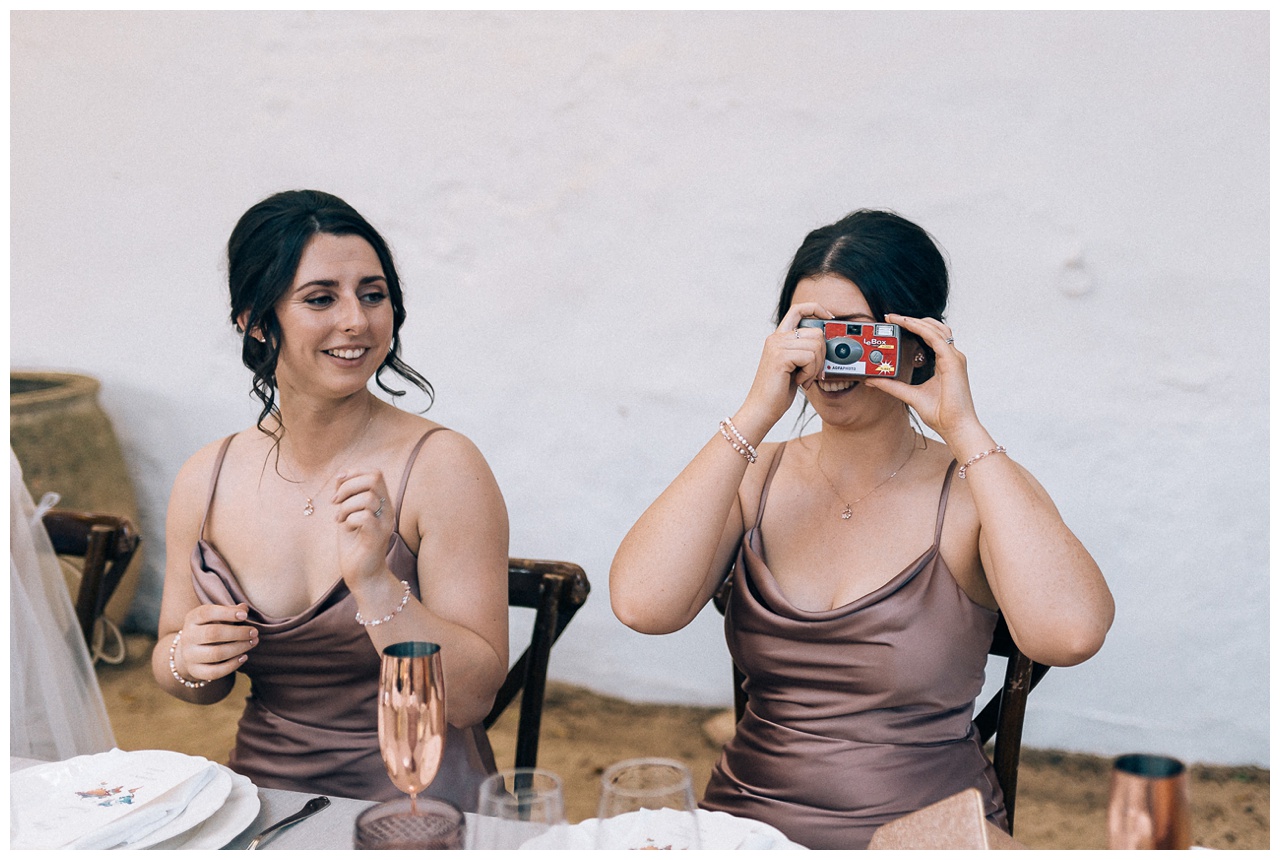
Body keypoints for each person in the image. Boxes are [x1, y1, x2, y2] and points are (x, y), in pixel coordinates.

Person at [610, 209, 1114, 849]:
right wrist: (755, 413)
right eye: (808, 330)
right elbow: (641, 606)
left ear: (918, 337)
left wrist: (964, 429)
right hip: (747, 831)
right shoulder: (753, 472)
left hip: (924, 838)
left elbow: (1070, 634)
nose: (831, 355)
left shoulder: (972, 486)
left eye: (855, 333)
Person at [151, 190, 510, 810]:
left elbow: (474, 698)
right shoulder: (205, 478)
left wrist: (375, 584)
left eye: (373, 294)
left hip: (420, 797)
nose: (357, 320)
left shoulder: (442, 467)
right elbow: (177, 671)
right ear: (255, 320)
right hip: (263, 802)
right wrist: (189, 658)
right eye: (321, 298)